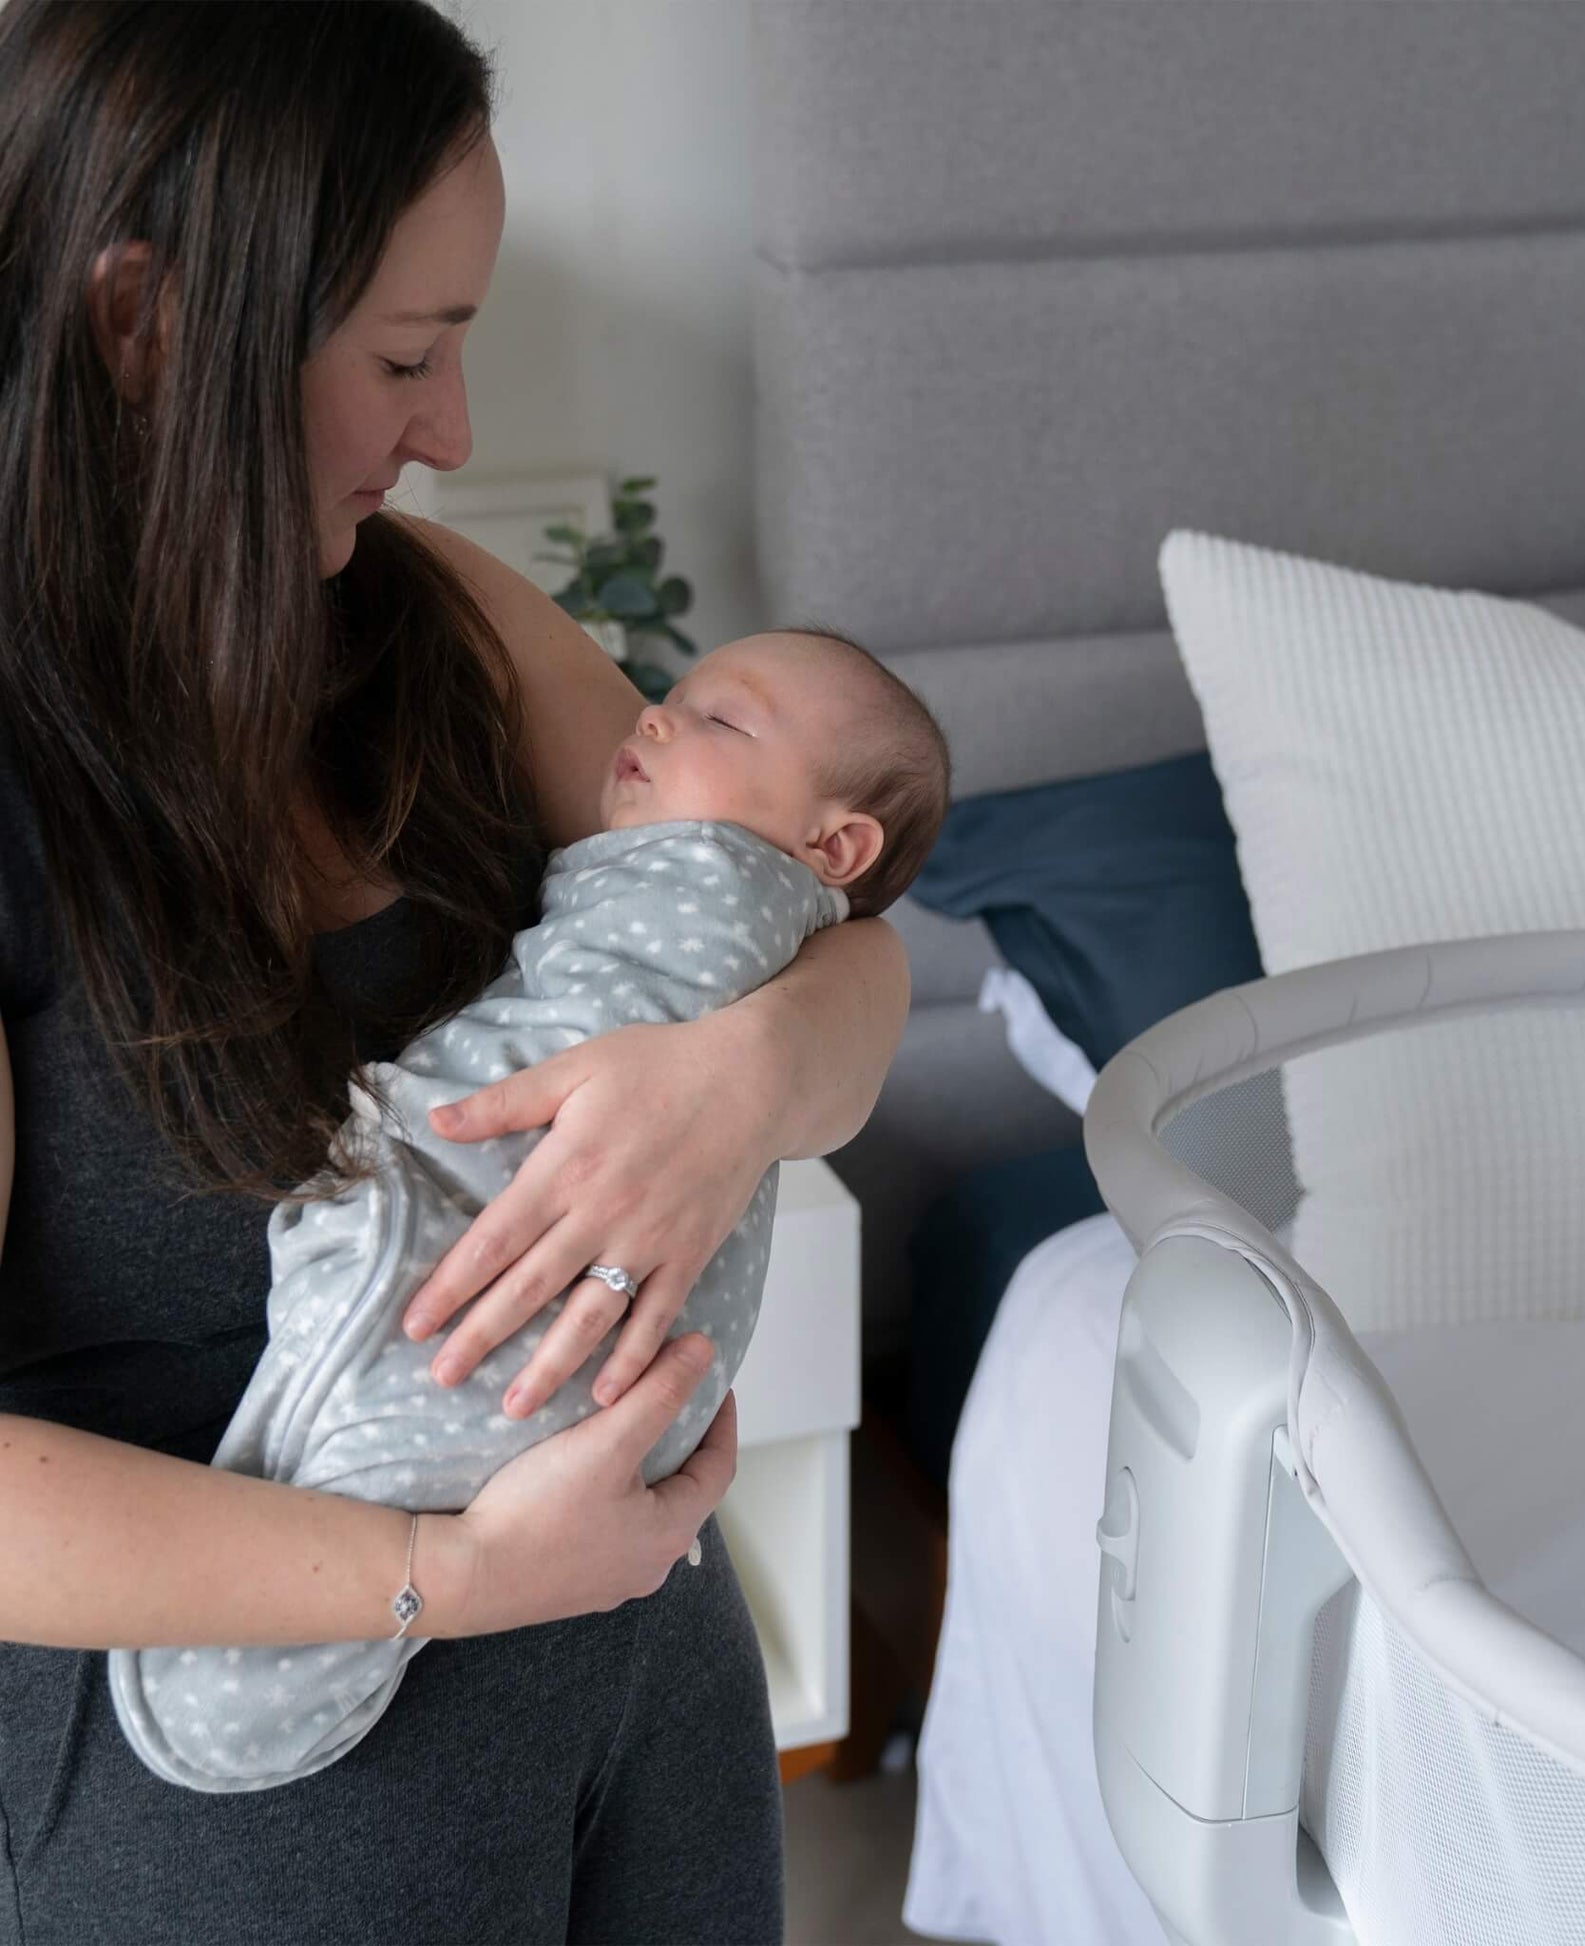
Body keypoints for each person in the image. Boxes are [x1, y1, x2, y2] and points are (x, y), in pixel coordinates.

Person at [0, 5, 908, 1942]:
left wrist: (745, 1079)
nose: (453, 434)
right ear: (147, 321)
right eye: (407, 355)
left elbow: (819, 937)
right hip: (233, 1788)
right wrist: (451, 1568)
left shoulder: (426, 622)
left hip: (630, 1682)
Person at [111, 628, 949, 1794]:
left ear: (831, 843)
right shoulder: (694, 874)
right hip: (439, 1608)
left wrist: (752, 1067)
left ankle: (241, 1693)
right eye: (669, 698)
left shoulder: (712, 895)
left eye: (719, 719)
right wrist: (461, 1566)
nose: (652, 717)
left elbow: (859, 962)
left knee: (406, 1436)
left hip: (551, 1473)